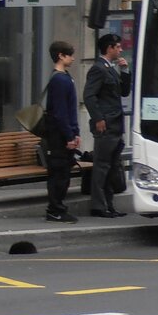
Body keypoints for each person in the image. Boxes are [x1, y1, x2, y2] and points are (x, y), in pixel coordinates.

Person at [83, 33, 132, 218]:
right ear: (109, 48)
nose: (120, 50)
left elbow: (124, 92)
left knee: (112, 166)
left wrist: (125, 71)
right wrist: (98, 118)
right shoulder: (98, 69)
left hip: (116, 125)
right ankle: (98, 205)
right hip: (106, 125)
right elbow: (89, 96)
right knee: (102, 166)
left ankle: (109, 205)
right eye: (118, 47)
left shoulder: (109, 68)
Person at [44, 40, 81, 224]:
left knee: (63, 173)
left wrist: (75, 133)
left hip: (65, 134)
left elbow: (68, 110)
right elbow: (60, 112)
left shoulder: (64, 77)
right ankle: (55, 209)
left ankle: (57, 208)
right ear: (60, 55)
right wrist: (69, 136)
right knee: (59, 174)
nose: (73, 58)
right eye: (70, 54)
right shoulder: (59, 79)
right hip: (59, 137)